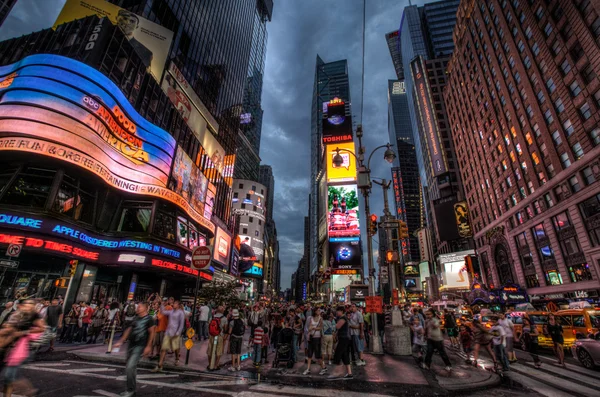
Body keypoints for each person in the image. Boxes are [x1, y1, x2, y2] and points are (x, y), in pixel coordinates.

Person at [114, 302, 156, 397]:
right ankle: (131, 388)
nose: (137, 308)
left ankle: (130, 390)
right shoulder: (135, 318)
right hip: (131, 345)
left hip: (140, 345)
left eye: (139, 307)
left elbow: (152, 333)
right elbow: (128, 330)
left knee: (130, 366)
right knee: (130, 367)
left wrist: (149, 346)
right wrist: (121, 341)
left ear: (145, 308)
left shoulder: (150, 319)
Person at [152, 300, 185, 372]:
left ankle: (177, 359)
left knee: (175, 349)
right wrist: (161, 303)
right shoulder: (171, 311)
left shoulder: (181, 313)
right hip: (168, 332)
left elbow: (181, 324)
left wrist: (178, 332)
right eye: (174, 303)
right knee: (163, 348)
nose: (174, 304)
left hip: (175, 333)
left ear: (179, 305)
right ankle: (160, 365)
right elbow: (163, 311)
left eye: (175, 303)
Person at [328, 306, 353, 380]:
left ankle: (336, 373)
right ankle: (349, 373)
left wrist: (330, 324)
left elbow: (337, 327)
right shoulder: (342, 318)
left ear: (341, 311)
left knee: (337, 354)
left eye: (338, 311)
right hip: (343, 338)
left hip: (344, 339)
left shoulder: (343, 318)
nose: (336, 312)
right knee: (344, 355)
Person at [304, 307, 327, 375]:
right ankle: (308, 369)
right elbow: (309, 327)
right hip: (311, 337)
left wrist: (314, 328)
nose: (319, 311)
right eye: (318, 310)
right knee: (309, 354)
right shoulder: (310, 318)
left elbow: (321, 327)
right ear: (315, 311)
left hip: (317, 338)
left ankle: (323, 367)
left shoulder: (320, 318)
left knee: (317, 355)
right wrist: (310, 329)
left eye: (319, 310)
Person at [207, 306, 228, 370]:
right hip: (219, 336)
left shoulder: (212, 317)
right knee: (219, 350)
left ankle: (210, 364)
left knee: (210, 349)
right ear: (222, 311)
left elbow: (209, 325)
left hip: (211, 335)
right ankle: (216, 365)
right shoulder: (224, 318)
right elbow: (225, 329)